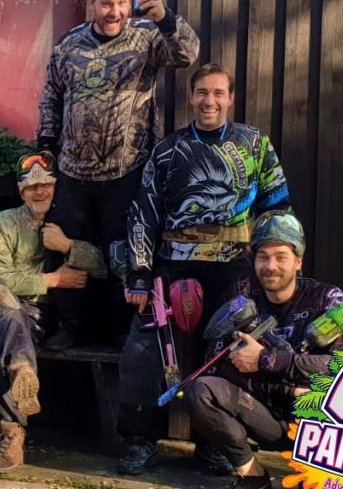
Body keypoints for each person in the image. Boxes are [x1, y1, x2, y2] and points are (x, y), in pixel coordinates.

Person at [117, 63, 291, 475]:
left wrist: (273, 267)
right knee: (146, 354)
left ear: (231, 98)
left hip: (234, 271)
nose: (209, 101)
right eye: (201, 92)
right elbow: (143, 213)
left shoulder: (255, 145)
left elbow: (277, 207)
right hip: (173, 268)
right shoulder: (168, 150)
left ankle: (214, 443)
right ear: (190, 97)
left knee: (227, 356)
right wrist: (139, 274)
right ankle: (140, 441)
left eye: (218, 93)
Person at [37, 0, 199, 350]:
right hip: (73, 170)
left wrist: (165, 17)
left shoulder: (146, 37)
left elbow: (188, 53)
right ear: (92, 3)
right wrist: (45, 145)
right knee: (69, 248)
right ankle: (72, 327)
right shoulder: (69, 44)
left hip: (127, 169)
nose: (115, 12)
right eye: (107, 3)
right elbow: (51, 96)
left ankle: (122, 330)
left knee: (122, 253)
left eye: (122, 3)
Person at [0, 152, 107, 472]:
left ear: (55, 187)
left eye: (45, 185)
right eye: (31, 186)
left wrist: (67, 246)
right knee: (1, 299)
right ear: (20, 190)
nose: (39, 191)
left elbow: (102, 266)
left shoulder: (68, 221)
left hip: (32, 314)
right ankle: (22, 366)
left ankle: (12, 433)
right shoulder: (2, 222)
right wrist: (54, 280)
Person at [183, 211, 343, 489]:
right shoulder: (241, 301)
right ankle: (253, 477)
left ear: (298, 261)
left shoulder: (326, 299)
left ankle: (324, 474)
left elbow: (342, 368)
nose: (270, 266)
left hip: (315, 420)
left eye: (281, 257)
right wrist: (288, 388)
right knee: (200, 391)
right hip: (264, 415)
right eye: (263, 257)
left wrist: (266, 359)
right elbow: (218, 365)